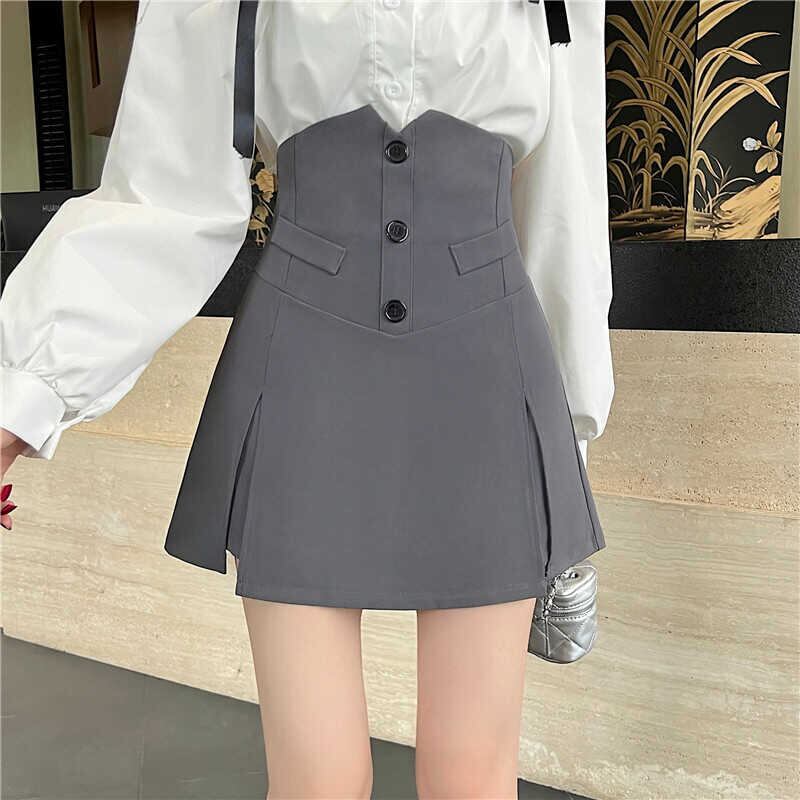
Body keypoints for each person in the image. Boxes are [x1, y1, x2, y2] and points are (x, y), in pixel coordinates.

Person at [0, 1, 614, 796]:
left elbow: (565, 201)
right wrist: (21, 396)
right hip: (304, 363)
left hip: (490, 369)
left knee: (472, 777)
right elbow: (162, 191)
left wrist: (567, 436)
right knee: (315, 780)